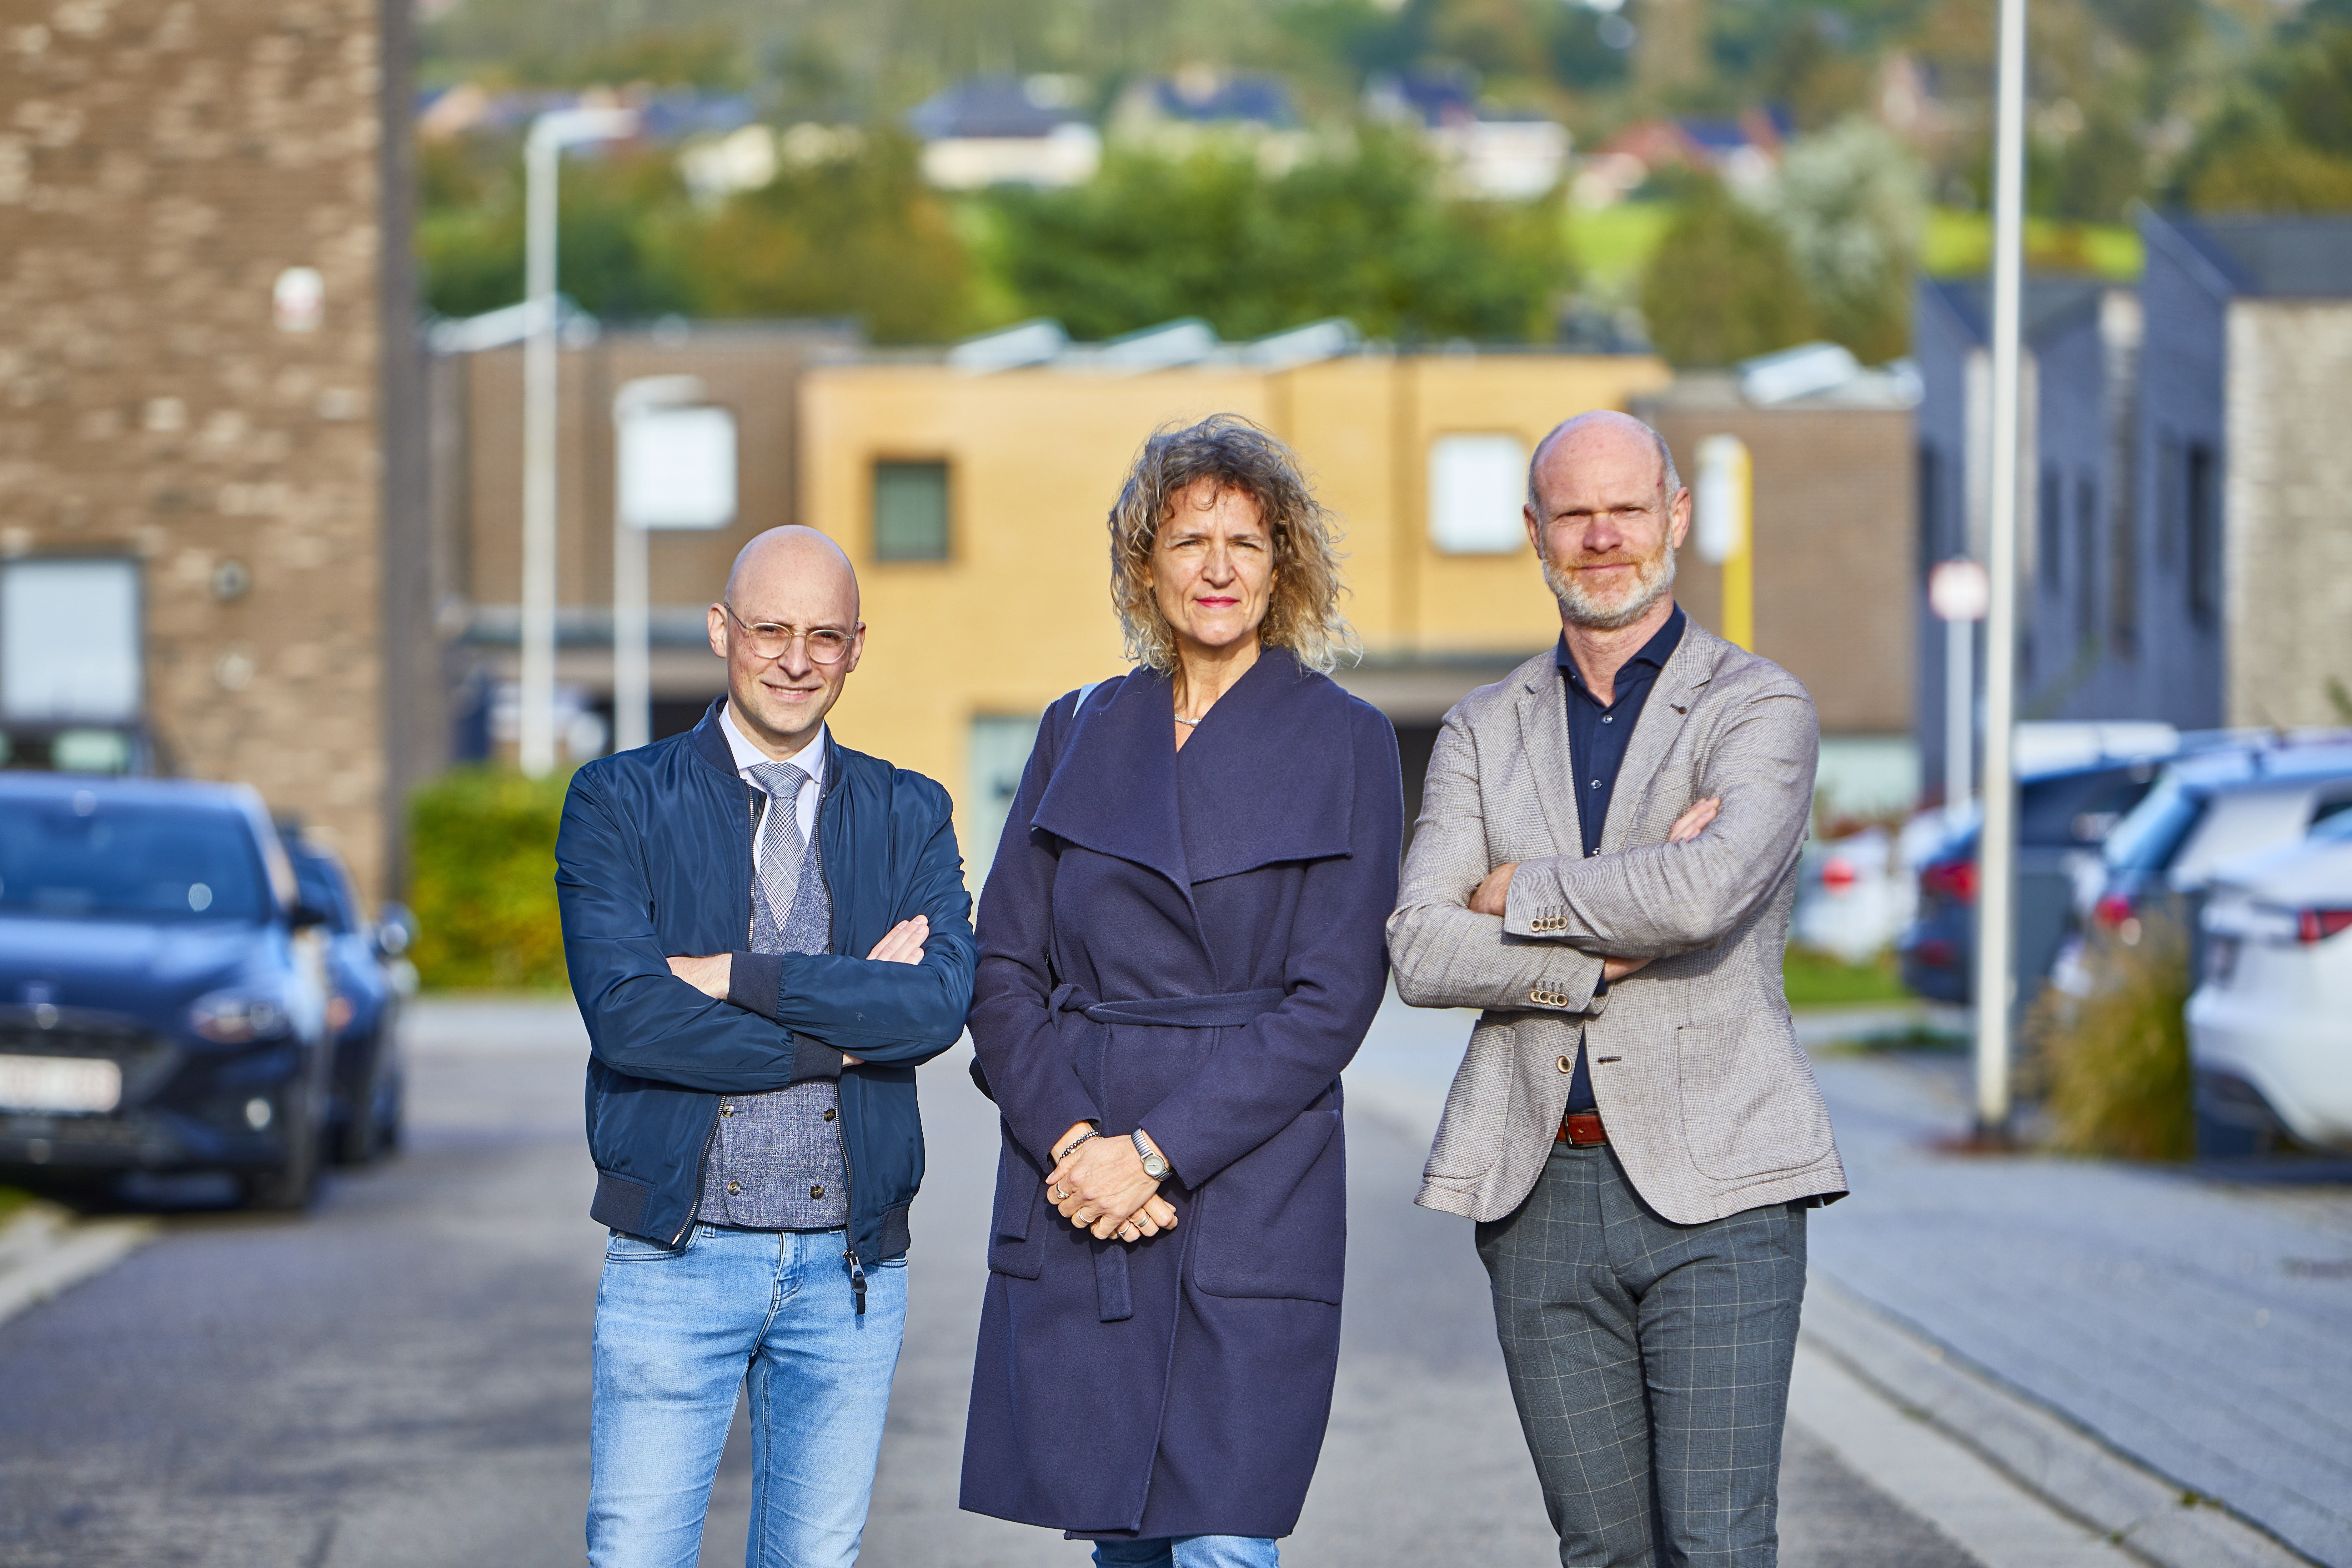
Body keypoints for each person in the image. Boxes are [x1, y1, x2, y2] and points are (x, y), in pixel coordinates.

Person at [1385, 411, 1846, 1567]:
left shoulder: (1758, 706)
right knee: (1600, 1550)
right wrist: (1605, 941)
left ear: (1674, 519)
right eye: (1574, 514)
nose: (1602, 537)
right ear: (1534, 532)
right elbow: (1420, 949)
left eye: (1626, 509)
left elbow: (1702, 897)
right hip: (1538, 1188)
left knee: (1715, 1543)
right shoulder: (1480, 730)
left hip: (1723, 1188)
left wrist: (1516, 890)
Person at [959, 415, 1403, 1568]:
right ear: (1142, 565)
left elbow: (1333, 998)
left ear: (1283, 566)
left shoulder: (1345, 743)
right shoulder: (1078, 728)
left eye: (1246, 544)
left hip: (1248, 1180)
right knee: (1124, 1544)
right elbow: (1002, 967)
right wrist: (1074, 1144)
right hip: (1084, 1180)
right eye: (1189, 539)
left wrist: (1151, 1152)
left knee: (1220, 1542)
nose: (1217, 568)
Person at [555, 525, 976, 1568]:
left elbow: (931, 1011)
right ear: (720, 631)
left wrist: (740, 978)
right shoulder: (618, 800)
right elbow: (631, 1017)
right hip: (674, 1254)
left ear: (856, 647)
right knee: (637, 1554)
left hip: (850, 1273)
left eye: (824, 636)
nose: (796, 659)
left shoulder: (909, 809)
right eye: (771, 630)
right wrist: (837, 1041)